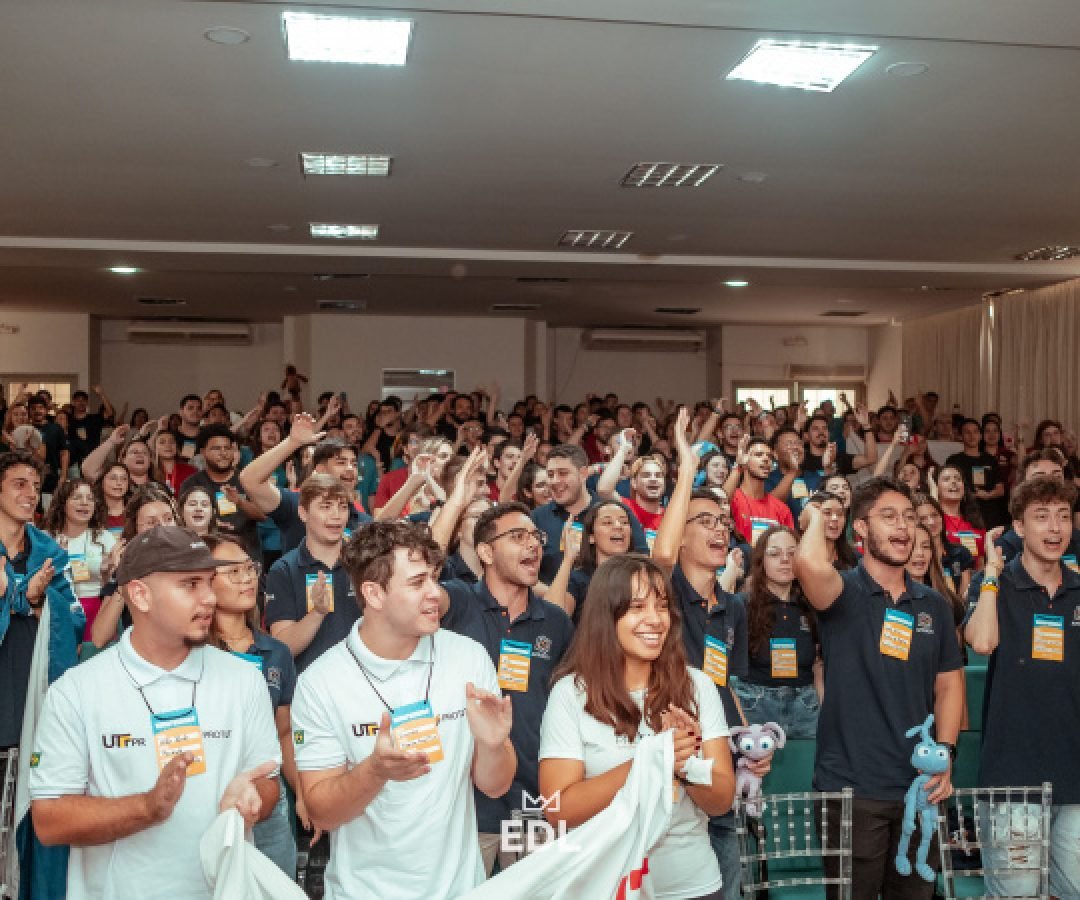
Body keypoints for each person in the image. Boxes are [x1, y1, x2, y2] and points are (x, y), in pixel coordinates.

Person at [29, 526, 281, 900]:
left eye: (209, 582)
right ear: (141, 595)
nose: (209, 597)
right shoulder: (77, 691)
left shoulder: (244, 679)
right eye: (190, 585)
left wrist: (253, 799)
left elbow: (268, 780)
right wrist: (148, 807)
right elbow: (49, 820)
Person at [290, 520, 516, 900]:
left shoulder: (468, 658)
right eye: (416, 583)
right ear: (374, 594)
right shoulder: (320, 682)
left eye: (433, 578)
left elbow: (496, 785)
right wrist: (375, 772)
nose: (435, 594)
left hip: (461, 889)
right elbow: (321, 813)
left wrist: (494, 745)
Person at [795, 477, 964, 899]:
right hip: (851, 790)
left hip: (918, 791)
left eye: (908, 517)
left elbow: (949, 687)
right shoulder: (843, 591)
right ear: (862, 529)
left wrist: (945, 754)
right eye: (888, 517)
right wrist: (817, 516)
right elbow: (809, 566)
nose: (903, 527)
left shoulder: (934, 607)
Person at [539, 554, 735, 900]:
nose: (654, 620)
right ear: (606, 616)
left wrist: (685, 764)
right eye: (637, 607)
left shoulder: (697, 686)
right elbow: (560, 810)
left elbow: (721, 801)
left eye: (661, 606)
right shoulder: (570, 693)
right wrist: (652, 758)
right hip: (606, 886)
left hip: (692, 884)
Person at [432, 499, 575, 875]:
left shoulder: (556, 622)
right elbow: (419, 583)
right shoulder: (457, 602)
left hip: (532, 800)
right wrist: (457, 496)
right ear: (485, 551)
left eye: (535, 536)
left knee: (537, 891)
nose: (533, 544)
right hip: (462, 802)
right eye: (517, 536)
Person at [964, 476, 1080, 899]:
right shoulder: (997, 585)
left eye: (1063, 517)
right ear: (1018, 526)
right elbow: (981, 641)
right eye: (1042, 517)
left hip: (1075, 775)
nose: (1055, 528)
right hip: (1013, 776)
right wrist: (992, 574)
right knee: (1016, 894)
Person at [0, 451, 80, 899]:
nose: (30, 493)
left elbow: (73, 620)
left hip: (32, 700)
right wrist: (18, 596)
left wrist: (32, 600)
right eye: (18, 483)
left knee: (30, 819)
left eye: (35, 485)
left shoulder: (51, 555)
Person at [205, 533, 299, 879]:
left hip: (268, 800)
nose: (246, 578)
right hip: (211, 799)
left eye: (250, 569)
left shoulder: (276, 652)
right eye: (233, 572)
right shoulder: (193, 654)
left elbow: (284, 732)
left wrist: (302, 793)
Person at [264, 474, 360, 674]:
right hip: (311, 690)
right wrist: (317, 613)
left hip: (365, 684)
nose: (336, 515)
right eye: (326, 507)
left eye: (342, 507)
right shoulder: (283, 570)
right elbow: (284, 648)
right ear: (303, 513)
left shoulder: (364, 562)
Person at [734, 525, 822, 740]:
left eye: (792, 553)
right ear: (761, 561)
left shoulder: (814, 604)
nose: (784, 559)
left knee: (804, 771)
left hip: (805, 704)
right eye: (774, 554)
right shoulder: (742, 605)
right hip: (756, 703)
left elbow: (819, 661)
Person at [240, 413, 372, 555]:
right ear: (321, 470)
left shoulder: (359, 519)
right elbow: (249, 480)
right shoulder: (295, 503)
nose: (350, 469)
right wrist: (292, 442)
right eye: (341, 462)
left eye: (354, 463)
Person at [532, 444, 647, 584]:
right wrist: (556, 597)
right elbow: (522, 572)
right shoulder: (535, 519)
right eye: (550, 475)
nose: (555, 481)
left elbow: (643, 561)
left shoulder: (615, 512)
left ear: (583, 474)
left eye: (563, 473)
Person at [88, 483, 179, 649]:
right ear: (135, 530)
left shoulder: (193, 562)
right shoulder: (126, 570)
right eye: (151, 522)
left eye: (168, 519)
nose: (162, 528)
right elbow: (99, 637)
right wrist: (124, 576)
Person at [43, 477, 120, 636]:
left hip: (96, 611)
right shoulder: (47, 539)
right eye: (77, 497)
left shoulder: (104, 537)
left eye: (90, 499)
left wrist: (108, 571)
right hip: (57, 611)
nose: (85, 503)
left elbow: (114, 584)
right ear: (62, 504)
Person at [545, 498, 632, 622]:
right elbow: (552, 619)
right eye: (607, 522)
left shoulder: (638, 575)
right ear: (591, 537)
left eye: (624, 522)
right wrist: (568, 559)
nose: (618, 527)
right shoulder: (579, 579)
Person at [180, 425, 262, 555]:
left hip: (247, 552)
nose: (223, 453)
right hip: (206, 553)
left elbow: (262, 515)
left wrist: (240, 502)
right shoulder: (192, 484)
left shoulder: (247, 480)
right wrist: (212, 523)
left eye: (227, 448)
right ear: (203, 452)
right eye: (216, 448)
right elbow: (182, 519)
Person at [725, 435, 794, 546]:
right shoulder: (733, 499)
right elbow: (720, 502)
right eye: (758, 455)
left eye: (769, 456)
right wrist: (738, 466)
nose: (766, 459)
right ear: (745, 460)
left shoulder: (782, 509)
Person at [946, 418, 1007, 528]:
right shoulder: (954, 460)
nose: (972, 435)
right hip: (963, 513)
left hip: (989, 515)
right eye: (967, 432)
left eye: (975, 432)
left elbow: (1000, 489)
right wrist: (968, 495)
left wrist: (988, 495)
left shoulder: (990, 460)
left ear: (980, 435)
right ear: (960, 436)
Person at [933, 465, 986, 562]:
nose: (953, 482)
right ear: (936, 488)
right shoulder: (933, 520)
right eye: (946, 479)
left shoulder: (975, 520)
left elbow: (980, 560)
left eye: (958, 479)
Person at [29, 395, 69, 505]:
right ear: (29, 411)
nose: (37, 411)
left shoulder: (56, 428)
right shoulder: (26, 429)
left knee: (50, 511)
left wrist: (63, 476)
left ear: (46, 410)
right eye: (33, 408)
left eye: (41, 408)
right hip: (30, 477)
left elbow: (64, 453)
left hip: (51, 477)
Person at [149, 427, 197, 496]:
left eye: (171, 442)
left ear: (176, 447)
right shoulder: (150, 472)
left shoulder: (191, 471)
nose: (168, 445)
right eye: (162, 442)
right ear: (155, 448)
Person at [94, 462, 130, 535]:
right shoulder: (93, 513)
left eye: (124, 479)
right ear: (101, 482)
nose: (119, 483)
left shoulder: (135, 512)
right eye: (113, 478)